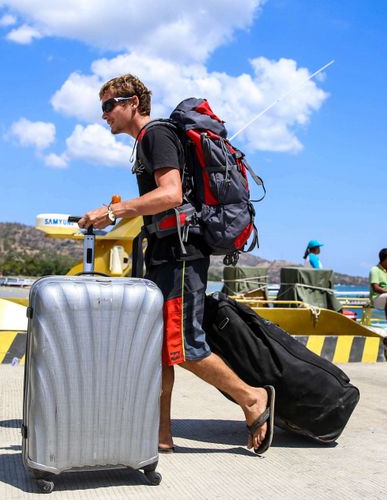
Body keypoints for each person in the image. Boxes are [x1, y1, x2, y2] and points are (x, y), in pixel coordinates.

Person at [78, 74, 274, 454]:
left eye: (108, 106)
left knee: (181, 346)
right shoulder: (146, 143)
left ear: (133, 102)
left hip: (181, 257)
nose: (103, 115)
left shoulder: (156, 135)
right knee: (158, 348)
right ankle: (160, 434)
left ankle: (252, 399)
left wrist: (112, 210)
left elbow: (170, 194)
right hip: (165, 255)